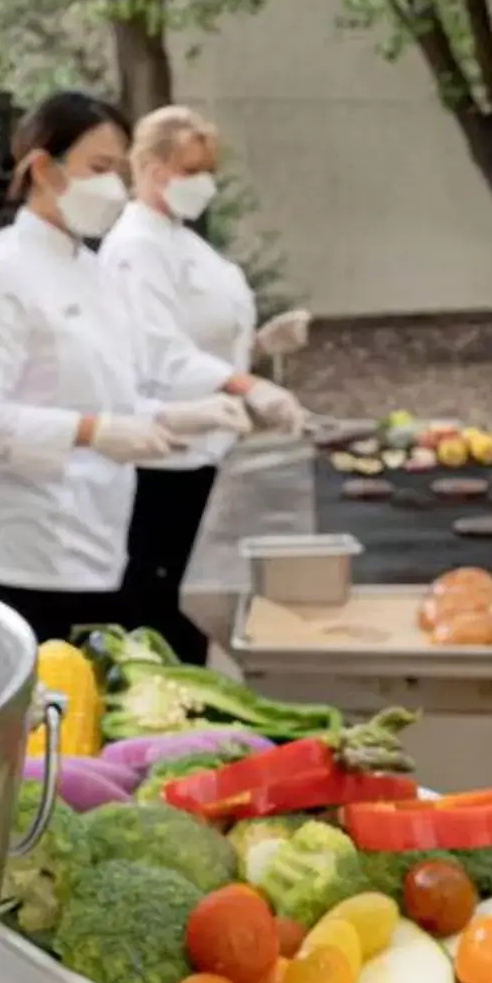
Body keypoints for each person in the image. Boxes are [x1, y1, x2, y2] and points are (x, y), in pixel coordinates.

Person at [0, 91, 303, 649]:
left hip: (94, 545)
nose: (115, 187)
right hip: (17, 556)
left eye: (118, 169)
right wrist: (93, 433)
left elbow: (115, 397)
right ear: (42, 169)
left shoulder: (91, 269)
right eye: (99, 169)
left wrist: (182, 417)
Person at [101, 105, 313, 662]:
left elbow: (203, 335)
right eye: (192, 169)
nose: (204, 182)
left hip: (204, 449)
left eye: (208, 168)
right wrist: (248, 387)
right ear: (150, 168)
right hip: (161, 458)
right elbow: (160, 353)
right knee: (161, 613)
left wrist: (263, 346)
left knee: (188, 609)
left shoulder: (179, 238)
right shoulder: (135, 248)